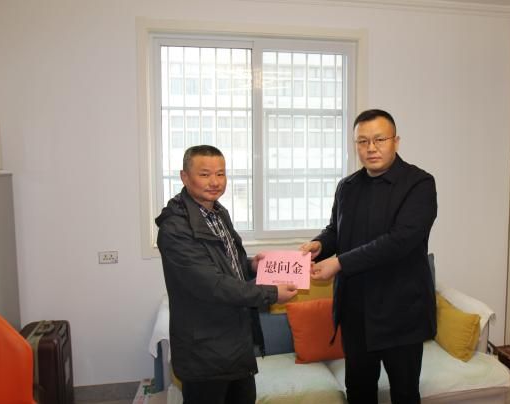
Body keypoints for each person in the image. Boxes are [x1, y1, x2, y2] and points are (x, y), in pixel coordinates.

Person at [300, 109, 437, 404]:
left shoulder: (420, 184)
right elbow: (336, 230)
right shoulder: (347, 187)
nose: (370, 148)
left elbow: (399, 242)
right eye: (362, 141)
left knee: (405, 394)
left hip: (401, 312)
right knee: (359, 391)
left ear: (396, 141)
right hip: (356, 313)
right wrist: (320, 245)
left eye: (379, 139)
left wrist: (339, 262)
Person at [156, 145, 297, 404]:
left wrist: (251, 266)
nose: (215, 182)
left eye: (220, 174)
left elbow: (227, 264)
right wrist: (272, 293)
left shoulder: (218, 213)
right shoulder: (175, 229)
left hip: (235, 343)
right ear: (184, 177)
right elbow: (213, 284)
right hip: (204, 350)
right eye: (205, 174)